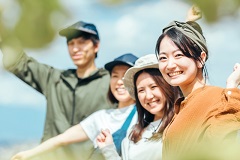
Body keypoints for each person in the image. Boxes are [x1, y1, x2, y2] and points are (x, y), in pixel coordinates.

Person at [1, 21, 114, 160]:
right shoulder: (54, 79)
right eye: (71, 43)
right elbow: (19, 62)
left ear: (96, 46)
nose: (75, 49)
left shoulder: (112, 83)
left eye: (81, 42)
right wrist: (4, 33)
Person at [11, 53, 139, 160]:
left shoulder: (144, 116)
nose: (119, 82)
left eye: (126, 76)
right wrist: (27, 154)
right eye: (115, 76)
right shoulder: (102, 117)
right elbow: (62, 139)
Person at [155, 20, 240, 159]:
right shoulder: (181, 106)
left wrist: (232, 86)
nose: (170, 65)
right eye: (163, 58)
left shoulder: (217, 97)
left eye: (178, 55)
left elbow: (220, 145)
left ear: (201, 59)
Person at [96, 54, 182, 160]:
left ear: (168, 86)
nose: (148, 96)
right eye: (141, 90)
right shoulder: (133, 134)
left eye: (153, 86)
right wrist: (108, 150)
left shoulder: (182, 124)